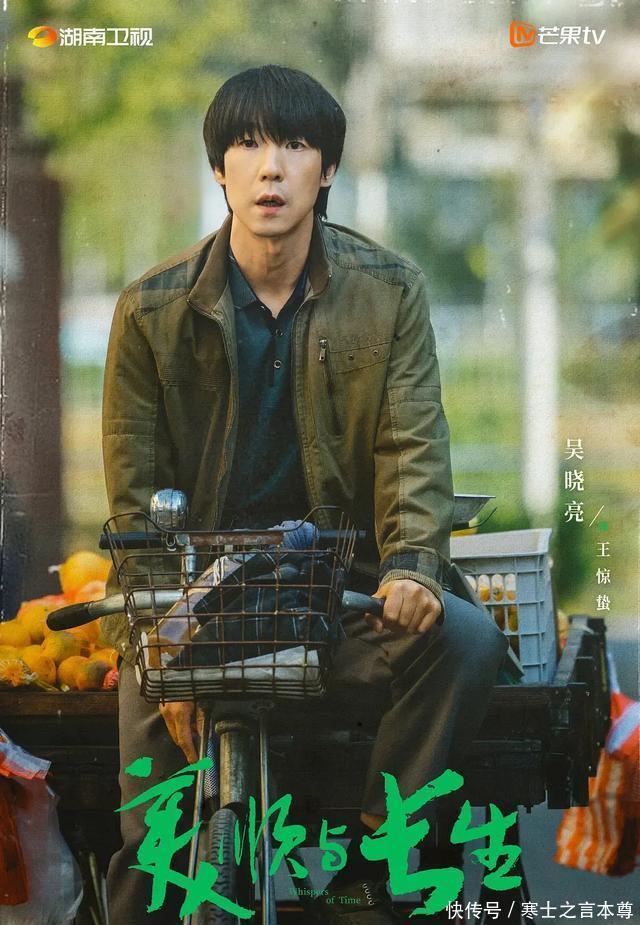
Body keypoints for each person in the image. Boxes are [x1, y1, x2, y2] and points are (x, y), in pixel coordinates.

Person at [101, 65, 508, 924]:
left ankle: (372, 858)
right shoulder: (149, 311)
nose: (271, 166)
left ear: (328, 168)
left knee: (466, 637)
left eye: (295, 144)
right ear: (219, 168)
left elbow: (412, 447)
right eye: (247, 144)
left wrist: (411, 567)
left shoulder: (389, 291)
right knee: (152, 846)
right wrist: (163, 648)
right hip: (195, 610)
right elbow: (135, 499)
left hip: (340, 598)